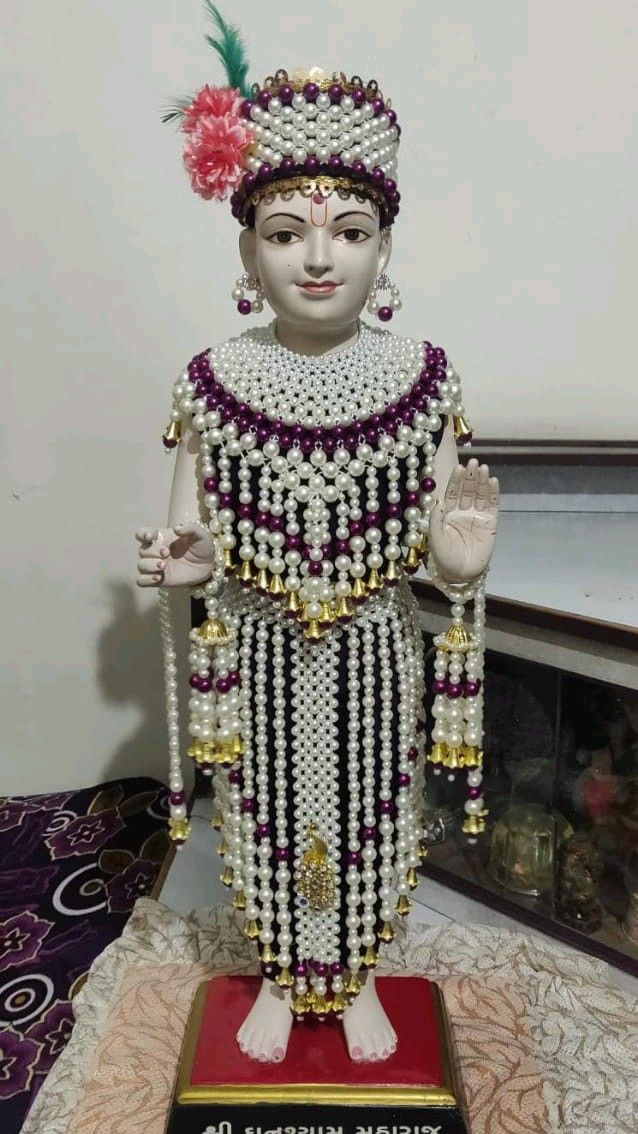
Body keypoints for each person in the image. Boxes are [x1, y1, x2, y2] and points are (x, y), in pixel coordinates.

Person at [135, 12, 499, 1066]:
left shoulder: (425, 378)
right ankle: (281, 977)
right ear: (246, 243)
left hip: (376, 653)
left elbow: (440, 534)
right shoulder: (210, 381)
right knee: (258, 813)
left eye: (348, 228)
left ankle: (360, 976)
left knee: (377, 815)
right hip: (250, 654)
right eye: (286, 229)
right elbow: (188, 529)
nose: (318, 256)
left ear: (384, 243)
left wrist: (458, 568)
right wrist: (187, 568)